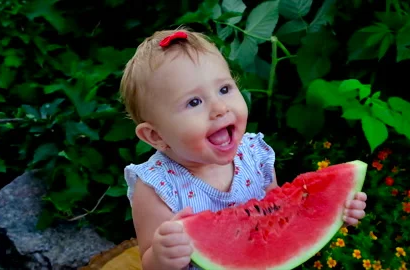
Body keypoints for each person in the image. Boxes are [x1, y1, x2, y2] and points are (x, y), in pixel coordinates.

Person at [119, 28, 368, 270]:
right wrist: (162, 256)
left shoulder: (254, 154)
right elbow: (149, 262)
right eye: (194, 102)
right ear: (155, 135)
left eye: (224, 89)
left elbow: (281, 214)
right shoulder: (156, 187)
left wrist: (330, 209)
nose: (219, 107)